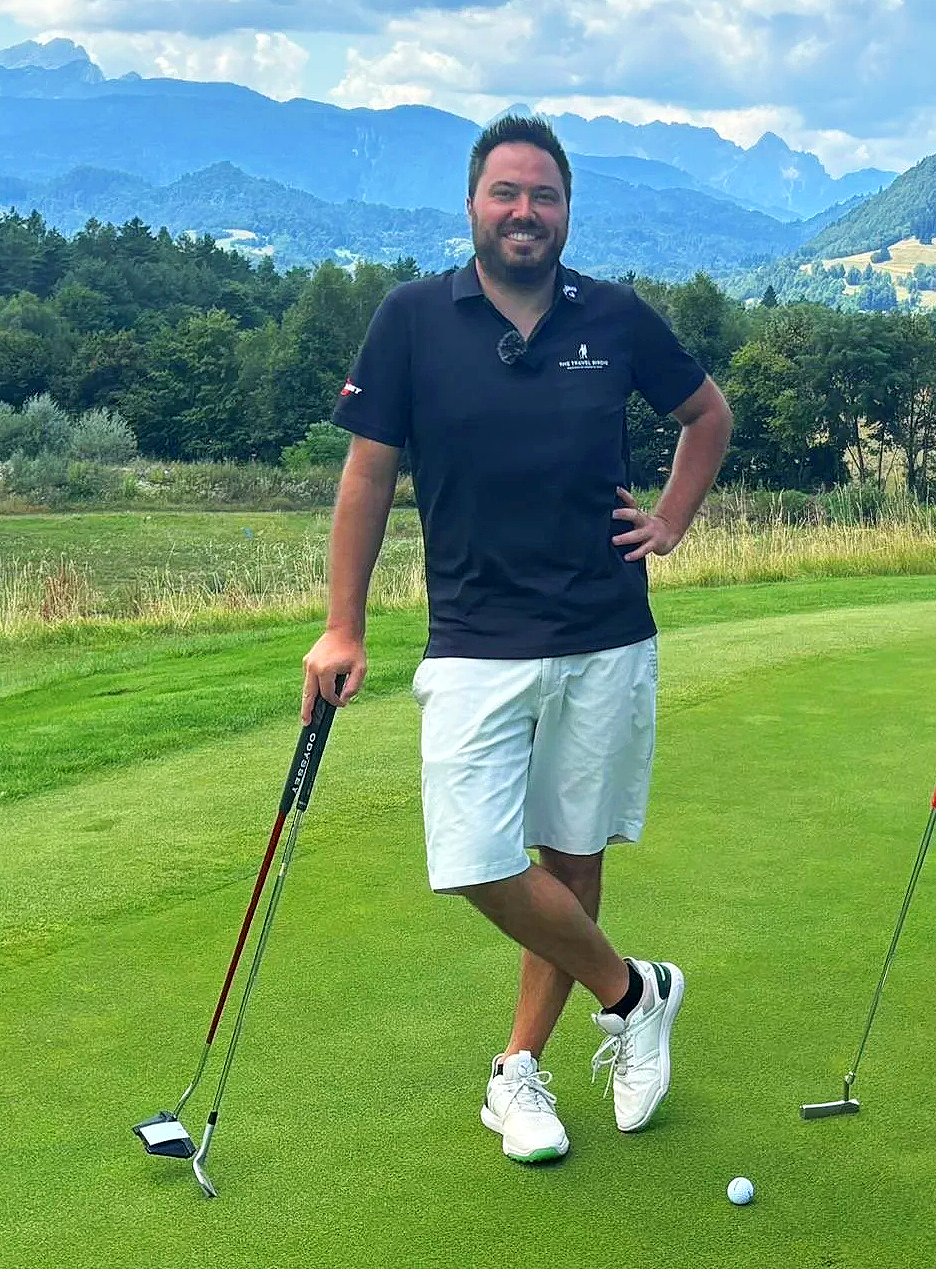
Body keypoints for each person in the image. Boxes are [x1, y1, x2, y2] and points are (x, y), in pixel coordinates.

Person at [301, 113, 732, 1165]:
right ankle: (636, 995)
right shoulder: (411, 318)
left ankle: (519, 1071)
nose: (524, 212)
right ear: (472, 206)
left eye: (543, 195)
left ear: (566, 210)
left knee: (569, 860)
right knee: (470, 859)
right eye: (506, 193)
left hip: (603, 633)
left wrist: (669, 521)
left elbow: (706, 414)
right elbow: (366, 477)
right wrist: (342, 625)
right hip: (473, 638)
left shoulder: (616, 317)